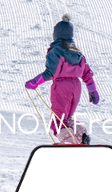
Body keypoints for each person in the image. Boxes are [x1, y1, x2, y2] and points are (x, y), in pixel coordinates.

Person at [25, 14, 99, 144]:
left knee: (58, 120)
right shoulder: (77, 52)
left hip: (61, 86)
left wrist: (34, 82)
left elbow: (50, 73)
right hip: (76, 87)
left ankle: (69, 142)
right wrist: (92, 90)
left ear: (56, 35)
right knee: (68, 117)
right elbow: (87, 72)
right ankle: (82, 135)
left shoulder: (56, 51)